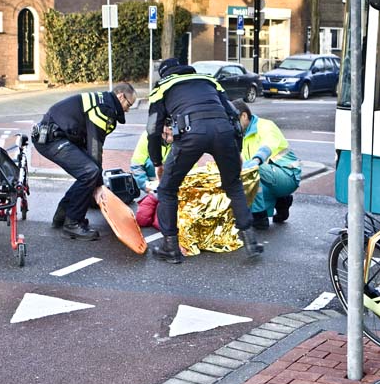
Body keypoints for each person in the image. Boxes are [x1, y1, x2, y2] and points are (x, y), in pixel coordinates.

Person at [146, 57, 261, 263]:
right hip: (223, 132)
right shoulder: (209, 80)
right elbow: (234, 115)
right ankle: (250, 240)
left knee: (167, 189)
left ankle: (170, 248)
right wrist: (237, 152)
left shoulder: (163, 86)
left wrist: (157, 162)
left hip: (191, 134)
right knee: (233, 184)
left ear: (165, 74)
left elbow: (153, 130)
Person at [33, 83, 137, 240]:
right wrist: (99, 185)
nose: (128, 110)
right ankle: (73, 223)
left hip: (55, 136)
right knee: (90, 172)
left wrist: (97, 181)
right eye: (129, 104)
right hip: (51, 139)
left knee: (89, 172)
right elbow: (95, 146)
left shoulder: (103, 103)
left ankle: (64, 212)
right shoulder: (104, 108)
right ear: (121, 96)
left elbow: (90, 144)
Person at [232, 99, 301, 230]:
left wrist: (257, 160)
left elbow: (268, 145)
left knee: (250, 170)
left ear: (244, 116)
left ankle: (260, 217)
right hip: (270, 177)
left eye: (233, 121)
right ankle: (282, 201)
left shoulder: (265, 126)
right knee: (247, 178)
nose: (232, 126)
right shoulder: (241, 135)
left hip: (288, 175)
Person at [132, 123, 173, 230]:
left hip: (170, 192)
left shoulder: (184, 139)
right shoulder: (147, 136)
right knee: (142, 220)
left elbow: (191, 170)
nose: (170, 137)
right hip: (153, 190)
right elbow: (136, 165)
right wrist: (145, 185)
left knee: (160, 225)